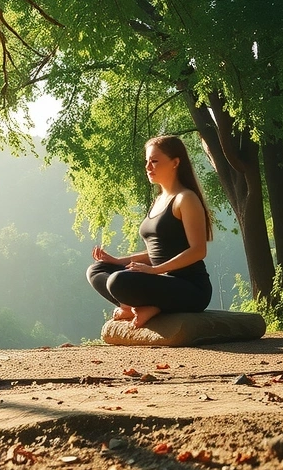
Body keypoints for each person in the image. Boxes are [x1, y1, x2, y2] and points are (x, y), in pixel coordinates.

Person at [87, 135, 213, 328]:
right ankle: (134, 307)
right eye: (147, 161)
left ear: (175, 162)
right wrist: (117, 261)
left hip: (190, 288)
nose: (148, 167)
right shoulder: (158, 200)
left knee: (118, 281)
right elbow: (158, 253)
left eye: (154, 161)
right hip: (159, 281)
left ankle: (154, 306)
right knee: (97, 269)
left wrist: (154, 271)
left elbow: (198, 251)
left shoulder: (185, 199)